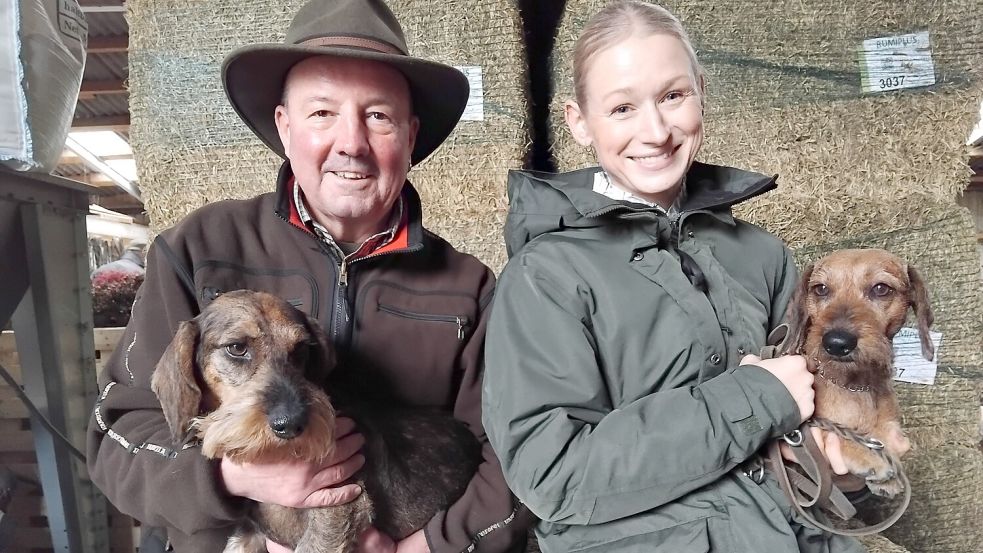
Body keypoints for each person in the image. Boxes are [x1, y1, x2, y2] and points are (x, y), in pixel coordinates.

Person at [85, 0, 531, 551]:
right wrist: (235, 480)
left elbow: (521, 456)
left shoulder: (469, 287)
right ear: (284, 125)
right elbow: (116, 439)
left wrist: (425, 548)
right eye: (322, 112)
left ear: (410, 137)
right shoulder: (198, 249)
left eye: (378, 116)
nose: (351, 142)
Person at [482, 2, 876, 552]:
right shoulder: (544, 277)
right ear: (578, 122)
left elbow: (811, 420)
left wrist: (843, 470)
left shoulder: (764, 255)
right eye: (622, 108)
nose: (656, 130)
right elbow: (554, 477)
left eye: (673, 96)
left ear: (701, 92)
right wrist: (755, 398)